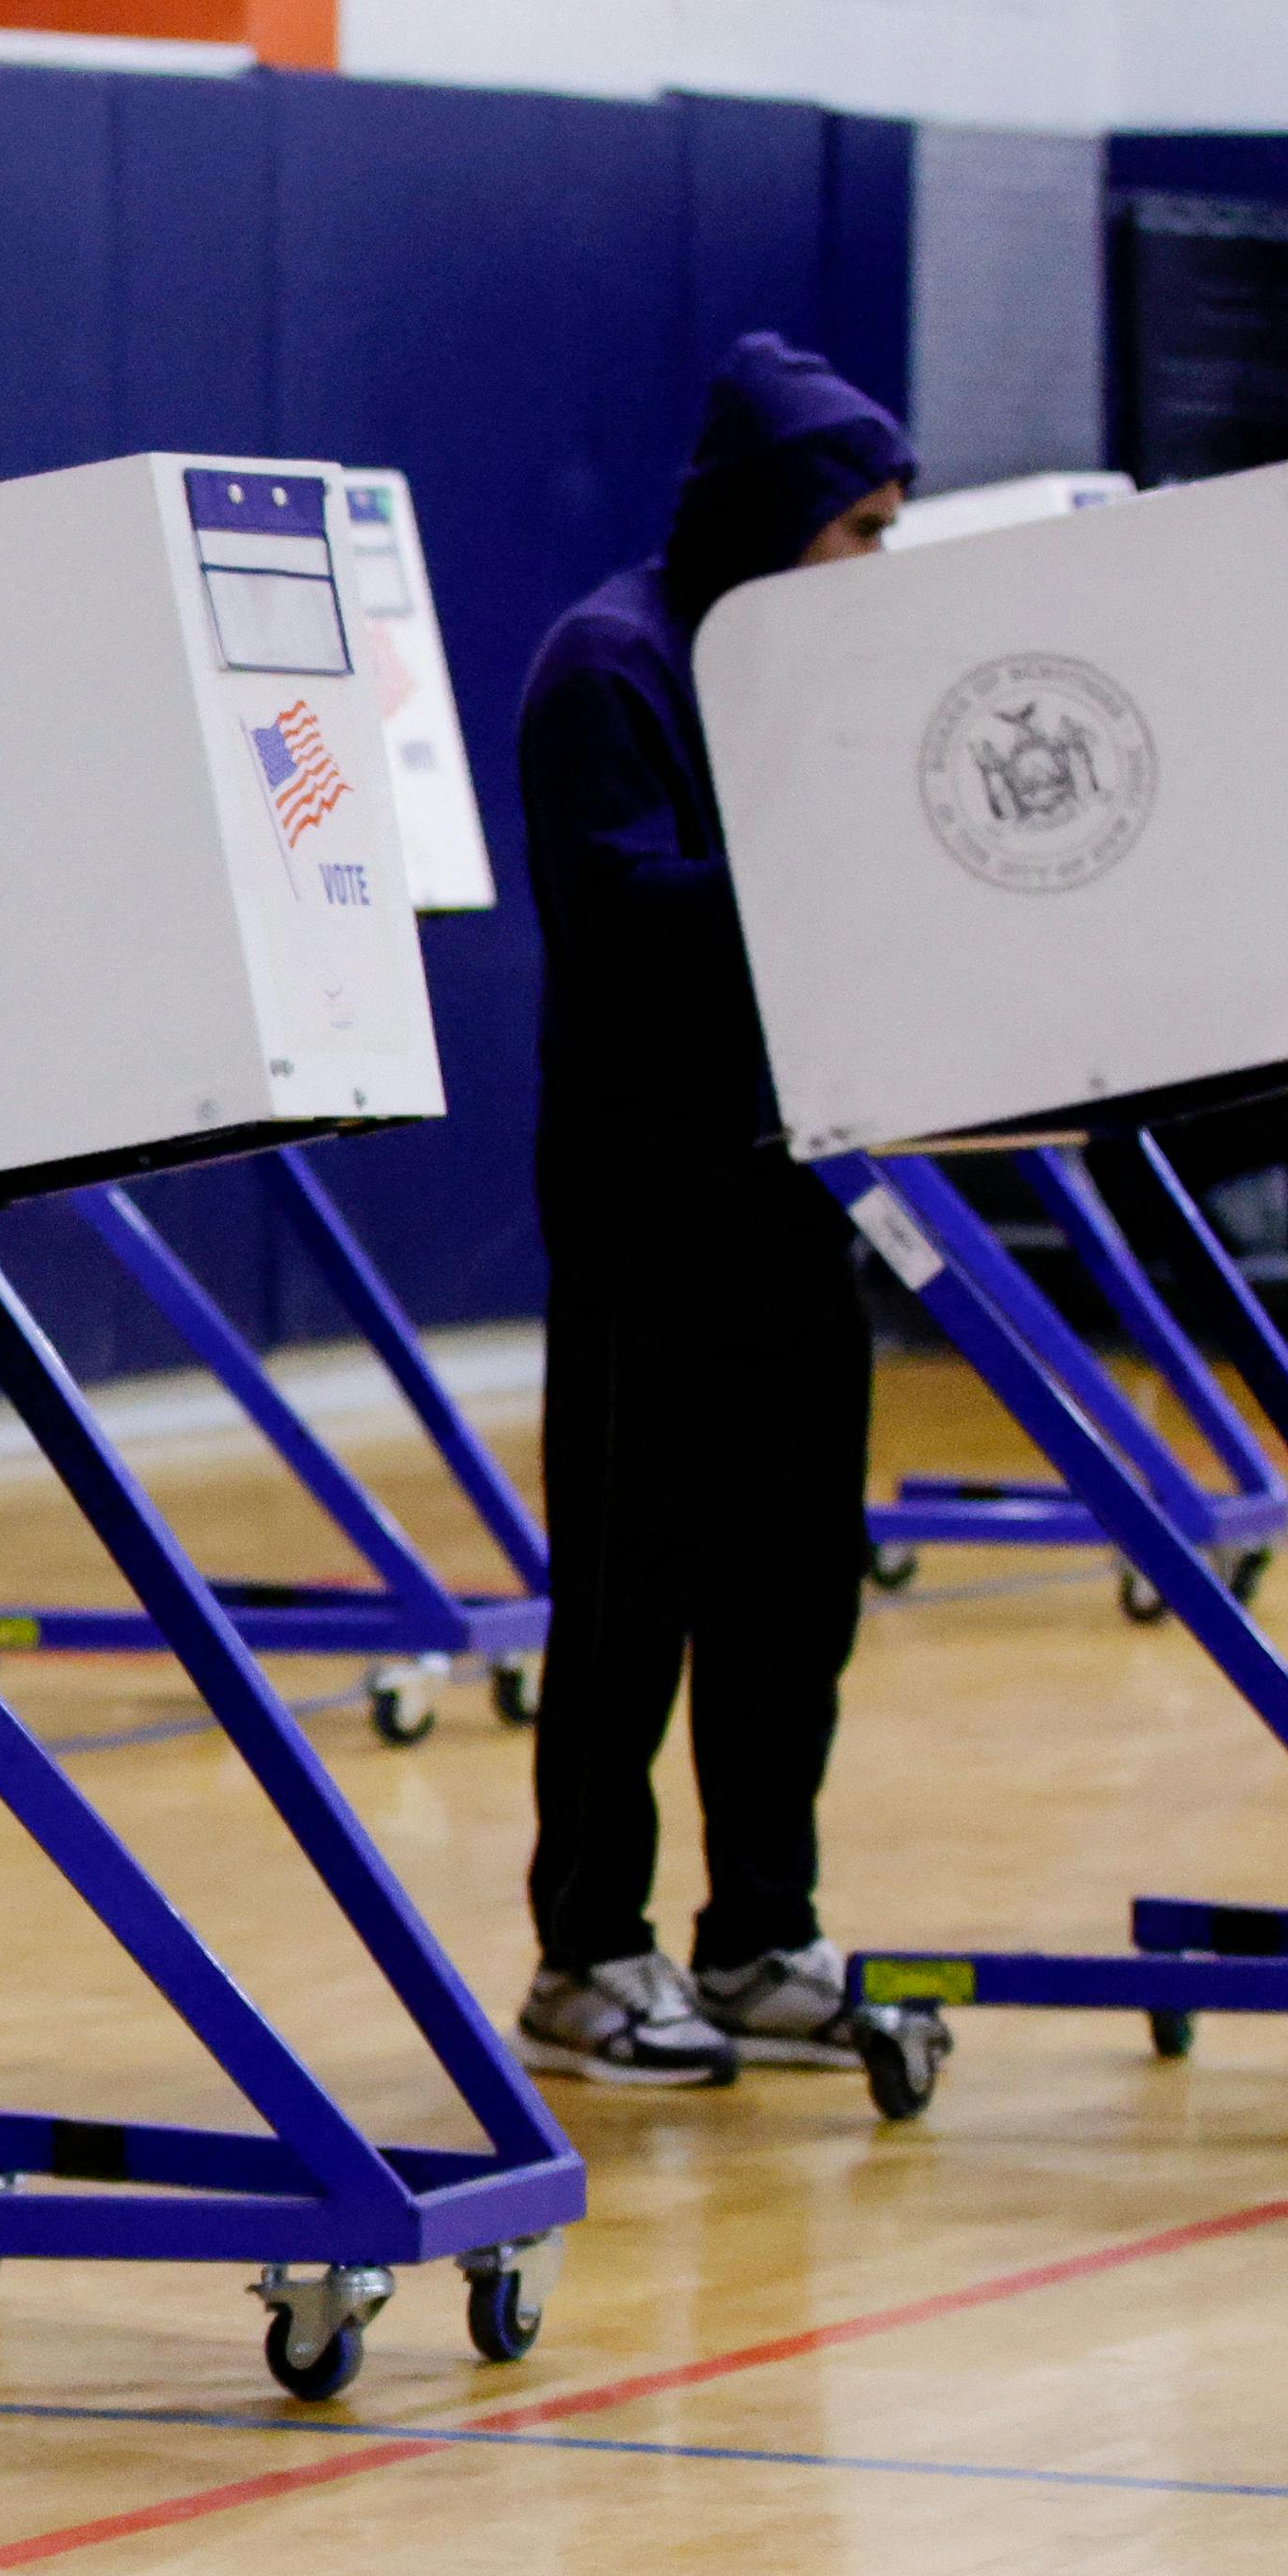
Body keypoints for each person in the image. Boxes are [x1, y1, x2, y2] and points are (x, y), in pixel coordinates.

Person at [508, 335, 914, 2084]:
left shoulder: (826, 668)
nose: (878, 567)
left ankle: (760, 1930)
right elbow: (627, 915)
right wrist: (844, 858)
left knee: (792, 1587)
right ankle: (585, 1951)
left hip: (795, 1185)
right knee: (625, 1599)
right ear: (776, 518)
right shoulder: (609, 664)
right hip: (641, 1204)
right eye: (861, 531)